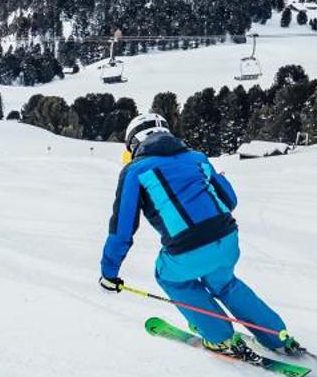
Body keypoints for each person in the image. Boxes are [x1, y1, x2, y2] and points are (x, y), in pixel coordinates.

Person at [97, 113, 300, 361]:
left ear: (135, 142)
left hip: (187, 249)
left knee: (171, 278)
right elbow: (230, 200)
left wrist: (109, 272)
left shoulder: (136, 170)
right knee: (224, 283)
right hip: (227, 239)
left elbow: (122, 229)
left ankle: (219, 337)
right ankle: (277, 336)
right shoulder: (197, 158)